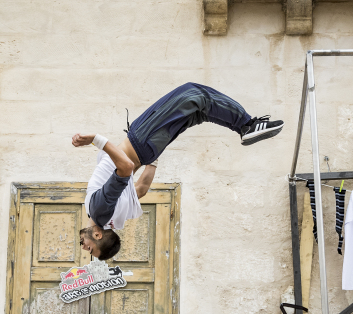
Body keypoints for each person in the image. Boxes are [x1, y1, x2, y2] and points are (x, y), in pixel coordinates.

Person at [73, 83, 284, 260]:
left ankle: (244, 127)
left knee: (198, 114)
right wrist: (96, 140)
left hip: (148, 151)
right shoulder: (99, 210)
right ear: (98, 235)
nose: (83, 247)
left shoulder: (114, 219)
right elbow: (126, 168)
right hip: (141, 140)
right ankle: (247, 125)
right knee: (193, 94)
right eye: (89, 249)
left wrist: (154, 157)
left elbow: (141, 189)